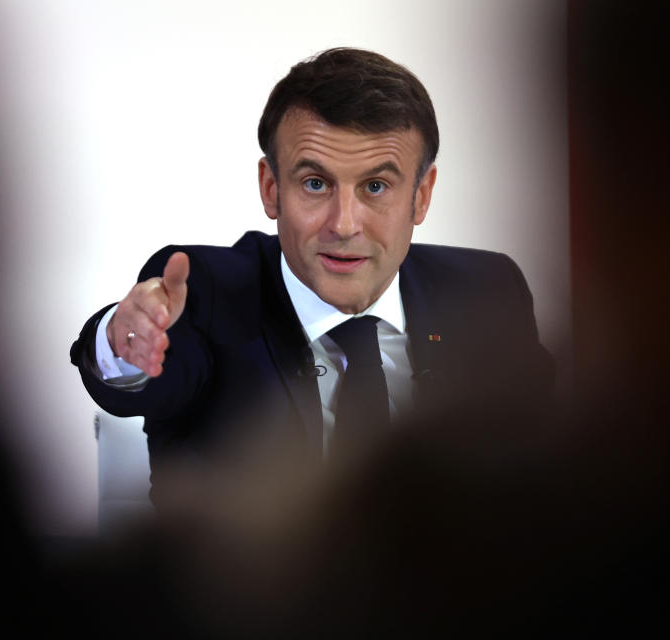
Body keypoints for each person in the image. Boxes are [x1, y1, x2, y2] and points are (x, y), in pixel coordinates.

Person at [71, 48, 554, 507]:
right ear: (271, 188)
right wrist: (124, 341)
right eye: (315, 183)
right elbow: (141, 380)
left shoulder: (487, 291)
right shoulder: (208, 293)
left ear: (422, 195)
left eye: (376, 186)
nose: (343, 224)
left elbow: (547, 466)